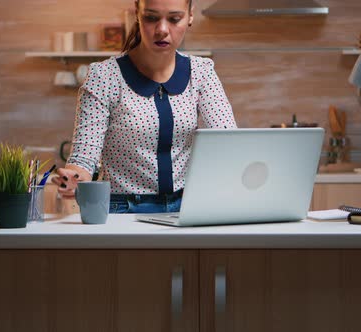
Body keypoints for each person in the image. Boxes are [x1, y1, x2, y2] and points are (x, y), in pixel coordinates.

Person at [52, 0, 237, 213]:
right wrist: (74, 177)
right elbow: (84, 158)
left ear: (190, 17)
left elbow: (228, 139)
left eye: (174, 19)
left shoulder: (202, 71)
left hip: (188, 207)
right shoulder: (103, 76)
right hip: (122, 209)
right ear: (137, 15)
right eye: (151, 18)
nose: (162, 30)